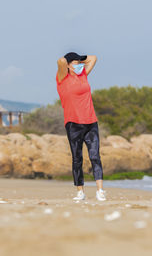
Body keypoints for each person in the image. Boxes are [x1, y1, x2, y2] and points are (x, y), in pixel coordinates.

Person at [56, 52, 106, 201]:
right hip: (73, 124)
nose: (80, 65)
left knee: (95, 156)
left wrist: (80, 60)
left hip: (91, 122)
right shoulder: (62, 78)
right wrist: (70, 61)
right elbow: (60, 61)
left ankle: (100, 190)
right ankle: (80, 191)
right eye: (76, 63)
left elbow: (94, 58)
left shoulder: (83, 74)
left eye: (80, 63)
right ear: (69, 65)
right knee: (77, 158)